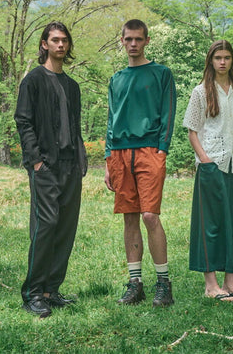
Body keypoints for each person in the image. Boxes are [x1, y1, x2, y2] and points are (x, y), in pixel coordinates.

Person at [14, 21, 87, 318]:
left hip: (71, 165)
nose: (60, 45)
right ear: (44, 44)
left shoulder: (72, 86)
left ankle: (50, 291)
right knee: (45, 226)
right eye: (55, 40)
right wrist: (36, 161)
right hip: (45, 165)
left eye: (64, 40)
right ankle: (33, 293)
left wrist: (81, 161)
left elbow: (75, 127)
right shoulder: (33, 80)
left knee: (65, 229)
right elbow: (23, 121)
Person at [104, 19, 177, 307]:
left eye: (138, 39)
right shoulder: (116, 79)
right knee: (130, 216)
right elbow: (111, 119)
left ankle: (164, 284)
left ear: (147, 40)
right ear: (122, 41)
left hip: (149, 151)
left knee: (150, 216)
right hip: (120, 153)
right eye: (128, 39)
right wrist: (108, 158)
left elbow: (168, 113)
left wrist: (162, 150)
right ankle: (135, 284)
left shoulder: (161, 73)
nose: (133, 44)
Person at [183, 39, 233, 302]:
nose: (222, 62)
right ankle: (211, 285)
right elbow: (192, 132)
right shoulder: (200, 92)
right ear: (211, 61)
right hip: (212, 165)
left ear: (232, 60)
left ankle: (230, 282)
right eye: (218, 58)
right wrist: (205, 161)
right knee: (211, 225)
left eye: (227, 57)